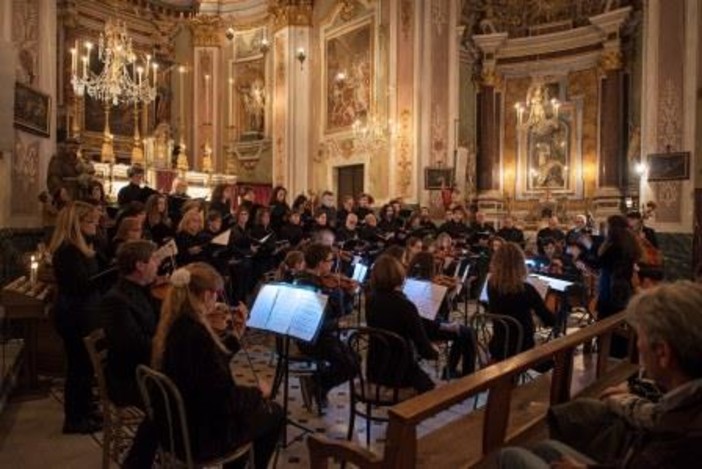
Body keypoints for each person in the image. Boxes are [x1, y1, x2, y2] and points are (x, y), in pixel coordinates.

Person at [499, 281, 702, 469]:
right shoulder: (688, 401)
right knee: (546, 449)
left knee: (510, 455)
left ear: (662, 352)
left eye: (640, 337)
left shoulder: (682, 439)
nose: (638, 345)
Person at [151, 263, 284, 468]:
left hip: (175, 425)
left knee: (253, 409)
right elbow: (223, 399)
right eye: (217, 294)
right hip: (201, 434)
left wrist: (234, 337)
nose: (219, 300)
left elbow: (208, 369)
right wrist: (257, 392)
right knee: (274, 413)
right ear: (206, 295)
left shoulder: (176, 323)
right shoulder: (196, 335)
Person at [101, 241, 161, 468]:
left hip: (144, 370)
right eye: (154, 260)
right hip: (129, 379)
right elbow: (133, 345)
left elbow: (157, 326)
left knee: (185, 388)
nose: (158, 265)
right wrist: (166, 343)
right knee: (176, 397)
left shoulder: (142, 290)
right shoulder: (115, 300)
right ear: (139, 265)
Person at [49, 201, 105, 433]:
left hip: (83, 311)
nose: (95, 224)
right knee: (78, 367)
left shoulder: (82, 247)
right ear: (75, 223)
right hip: (73, 314)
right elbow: (80, 285)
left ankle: (84, 410)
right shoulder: (67, 251)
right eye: (90, 221)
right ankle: (74, 419)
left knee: (85, 366)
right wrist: (106, 278)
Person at [292, 244, 357, 407]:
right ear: (320, 263)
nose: (332, 264)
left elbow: (342, 312)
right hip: (311, 338)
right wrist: (337, 323)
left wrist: (348, 296)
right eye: (330, 261)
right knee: (351, 363)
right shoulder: (306, 284)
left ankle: (319, 383)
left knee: (354, 360)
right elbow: (313, 323)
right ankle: (319, 383)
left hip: (324, 335)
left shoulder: (324, 283)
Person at [365, 255, 438, 393]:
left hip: (374, 369)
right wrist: (434, 352)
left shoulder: (370, 300)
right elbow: (424, 349)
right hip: (400, 373)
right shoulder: (406, 306)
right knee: (432, 393)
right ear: (400, 276)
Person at [579, 215, 641, 357]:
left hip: (611, 292)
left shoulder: (615, 247)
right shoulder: (628, 244)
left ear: (612, 229)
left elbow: (598, 262)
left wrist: (585, 250)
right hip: (623, 291)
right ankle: (621, 356)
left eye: (607, 226)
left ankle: (610, 358)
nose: (605, 229)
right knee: (620, 326)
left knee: (607, 327)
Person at [486, 242, 555, 360]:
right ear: (520, 264)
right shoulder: (526, 289)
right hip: (522, 347)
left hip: (498, 345)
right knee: (554, 357)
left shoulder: (491, 285)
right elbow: (549, 320)